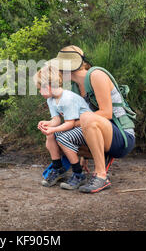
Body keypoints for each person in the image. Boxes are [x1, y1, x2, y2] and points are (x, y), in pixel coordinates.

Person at [45, 45, 136, 194]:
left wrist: (73, 123)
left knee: (83, 118)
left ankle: (101, 176)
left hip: (122, 136)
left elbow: (106, 113)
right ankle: (67, 170)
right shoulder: (75, 88)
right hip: (103, 133)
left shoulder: (96, 75)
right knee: (56, 135)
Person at [33, 64, 93, 190]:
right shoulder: (51, 100)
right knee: (50, 135)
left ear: (47, 87)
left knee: (62, 138)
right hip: (74, 128)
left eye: (40, 89)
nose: (39, 92)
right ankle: (57, 168)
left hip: (88, 129)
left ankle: (78, 173)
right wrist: (48, 124)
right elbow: (57, 119)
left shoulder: (67, 98)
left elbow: (70, 123)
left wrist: (54, 129)